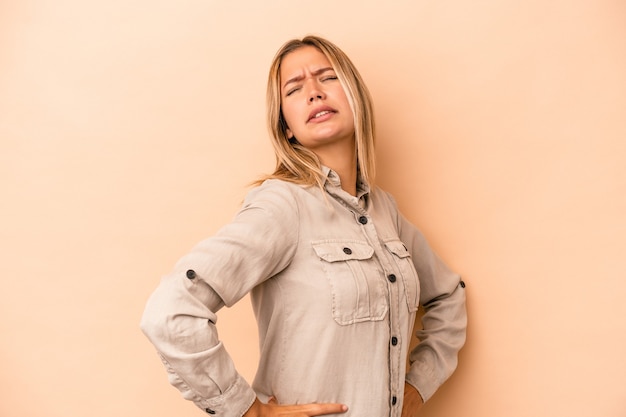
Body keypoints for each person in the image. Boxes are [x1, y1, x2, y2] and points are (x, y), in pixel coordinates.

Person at [140, 35, 467, 417]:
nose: (313, 92)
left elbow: (448, 295)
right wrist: (245, 409)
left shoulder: (384, 210)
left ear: (355, 98)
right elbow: (171, 309)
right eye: (294, 89)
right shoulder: (281, 205)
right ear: (287, 127)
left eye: (328, 78)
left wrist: (417, 387)